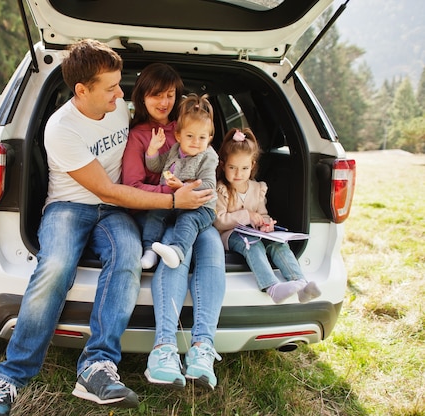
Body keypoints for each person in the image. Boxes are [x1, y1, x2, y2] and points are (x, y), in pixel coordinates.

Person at [0, 41, 213, 416]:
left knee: (127, 259)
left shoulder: (117, 105)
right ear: (82, 91)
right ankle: (12, 378)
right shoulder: (61, 128)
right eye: (111, 88)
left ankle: (96, 366)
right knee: (54, 268)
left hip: (114, 211)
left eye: (120, 86)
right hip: (69, 206)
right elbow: (106, 188)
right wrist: (172, 202)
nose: (122, 95)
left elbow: (149, 158)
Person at [122, 63, 225, 391]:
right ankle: (164, 347)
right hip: (162, 210)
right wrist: (172, 196)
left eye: (170, 95)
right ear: (142, 97)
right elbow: (133, 184)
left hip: (194, 211)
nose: (164, 101)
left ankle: (203, 349)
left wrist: (190, 197)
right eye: (156, 95)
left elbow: (207, 180)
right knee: (172, 247)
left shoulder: (192, 133)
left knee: (210, 246)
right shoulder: (139, 135)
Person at [214, 127, 321, 304]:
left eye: (244, 168)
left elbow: (262, 214)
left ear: (252, 166)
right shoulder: (221, 189)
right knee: (253, 245)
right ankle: (272, 287)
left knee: (278, 244)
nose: (238, 173)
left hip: (255, 232)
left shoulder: (257, 189)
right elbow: (219, 221)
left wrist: (265, 223)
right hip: (231, 235)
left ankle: (301, 283)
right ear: (223, 165)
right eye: (232, 167)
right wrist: (246, 215)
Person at [141, 93, 218, 269]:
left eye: (202, 138)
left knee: (188, 220)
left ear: (209, 139)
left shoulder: (209, 156)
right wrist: (153, 149)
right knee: (155, 213)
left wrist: (182, 186)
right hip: (175, 202)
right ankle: (149, 251)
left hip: (201, 207)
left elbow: (209, 186)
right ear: (178, 136)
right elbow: (156, 166)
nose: (196, 142)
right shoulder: (175, 149)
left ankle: (177, 251)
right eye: (190, 136)